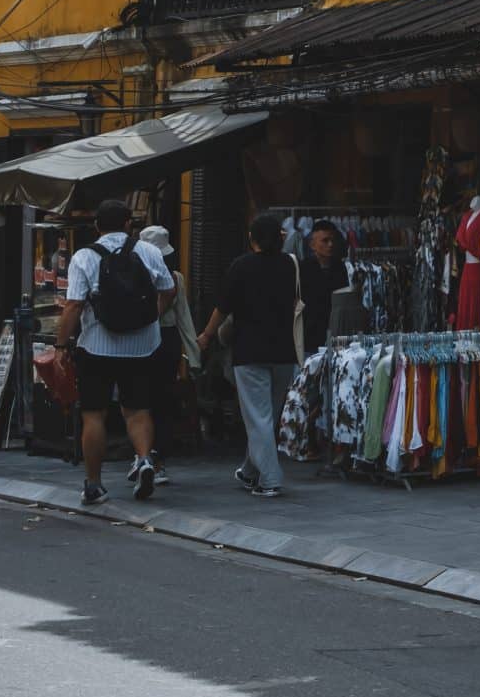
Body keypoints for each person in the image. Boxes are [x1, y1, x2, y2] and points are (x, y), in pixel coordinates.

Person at [55, 199, 178, 506]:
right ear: (128, 224)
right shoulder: (148, 252)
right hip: (142, 346)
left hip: (96, 345)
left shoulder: (84, 256)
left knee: (93, 415)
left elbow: (74, 305)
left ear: (97, 226)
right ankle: (145, 460)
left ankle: (95, 484)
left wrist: (59, 346)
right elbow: (168, 287)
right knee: (138, 410)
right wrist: (152, 316)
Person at [196, 214, 303, 499]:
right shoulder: (290, 265)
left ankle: (269, 479)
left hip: (250, 351)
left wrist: (206, 335)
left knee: (258, 418)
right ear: (280, 237)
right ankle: (249, 470)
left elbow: (222, 307)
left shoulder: (240, 266)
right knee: (268, 416)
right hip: (284, 351)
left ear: (251, 237)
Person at [138, 223, 197, 487]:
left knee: (139, 400)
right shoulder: (174, 277)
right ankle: (156, 459)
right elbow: (184, 317)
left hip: (139, 340)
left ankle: (143, 455)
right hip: (167, 340)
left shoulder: (134, 274)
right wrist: (194, 355)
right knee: (161, 400)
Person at [300, 220, 348, 354]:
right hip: (310, 338)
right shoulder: (303, 268)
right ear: (313, 244)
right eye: (325, 241)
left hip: (336, 336)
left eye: (332, 240)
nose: (330, 245)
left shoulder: (340, 268)